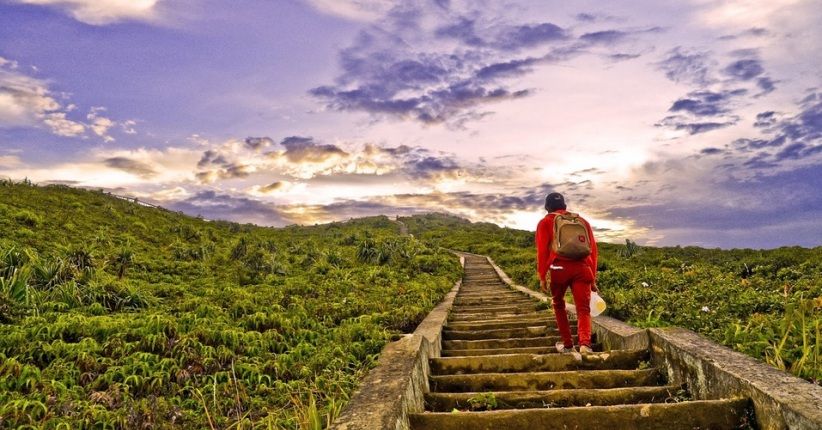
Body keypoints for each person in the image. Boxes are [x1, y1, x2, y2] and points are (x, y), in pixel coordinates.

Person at [535, 192, 598, 354]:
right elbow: (593, 251)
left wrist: (542, 276)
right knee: (583, 308)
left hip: (558, 269)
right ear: (564, 206)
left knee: (558, 304)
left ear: (547, 208)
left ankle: (568, 345)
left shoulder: (545, 222)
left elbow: (542, 251)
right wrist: (592, 277)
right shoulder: (581, 221)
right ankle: (585, 344)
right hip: (582, 268)